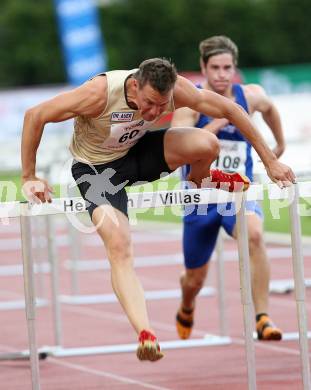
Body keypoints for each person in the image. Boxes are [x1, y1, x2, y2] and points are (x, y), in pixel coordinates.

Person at [21, 58, 294, 362]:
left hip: (138, 152)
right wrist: (29, 176)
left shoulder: (177, 91)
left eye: (161, 106)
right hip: (97, 169)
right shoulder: (99, 93)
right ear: (135, 85)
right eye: (149, 103)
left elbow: (231, 110)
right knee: (120, 245)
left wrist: (270, 161)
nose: (153, 112)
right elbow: (36, 114)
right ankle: (146, 333)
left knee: (206, 142)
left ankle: (200, 176)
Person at [172, 36, 285, 341]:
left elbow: (270, 108)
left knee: (255, 234)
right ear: (203, 67)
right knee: (194, 279)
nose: (222, 74)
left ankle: (262, 317)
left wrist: (280, 143)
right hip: (200, 197)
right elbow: (180, 146)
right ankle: (186, 303)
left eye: (227, 68)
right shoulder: (190, 103)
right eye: (215, 68)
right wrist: (223, 119)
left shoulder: (249, 95)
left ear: (234, 68)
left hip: (237, 194)